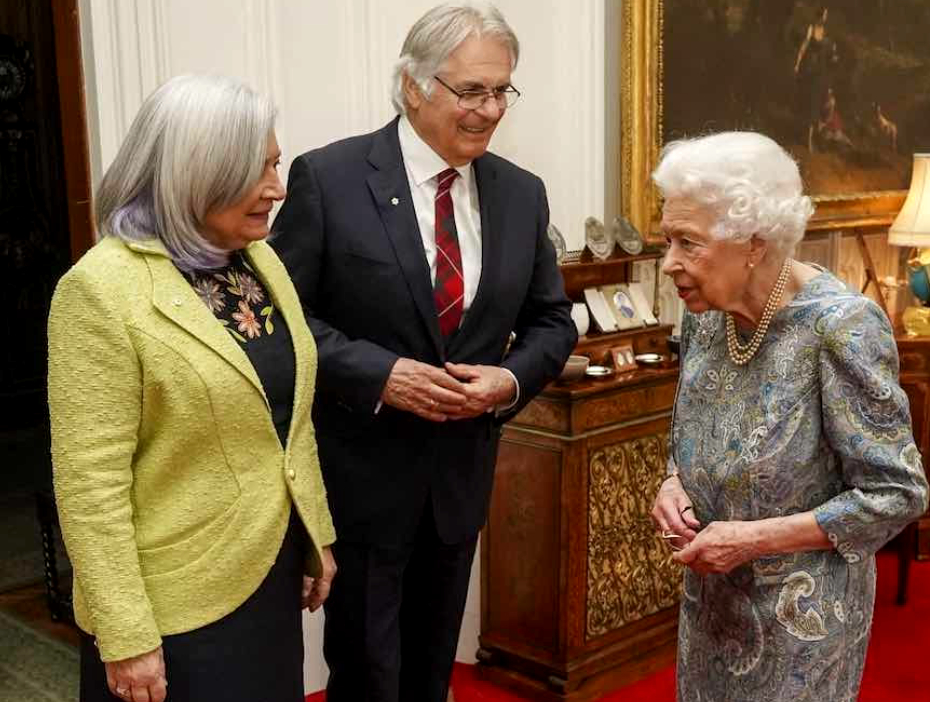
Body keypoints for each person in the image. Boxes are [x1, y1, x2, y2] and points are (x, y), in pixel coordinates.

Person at [270, 3, 577, 700]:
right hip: (361, 484)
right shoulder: (331, 177)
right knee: (368, 678)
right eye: (472, 91)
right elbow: (283, 323)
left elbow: (552, 323)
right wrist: (381, 376)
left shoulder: (520, 194)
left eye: (503, 90)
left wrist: (507, 381)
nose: (491, 109)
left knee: (430, 675)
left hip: (457, 485)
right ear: (413, 86)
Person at [47, 74, 337, 702]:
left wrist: (316, 535)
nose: (278, 189)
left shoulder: (256, 260)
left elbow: (290, 414)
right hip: (172, 607)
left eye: (276, 164)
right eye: (256, 171)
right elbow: (88, 485)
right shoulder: (100, 291)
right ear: (195, 174)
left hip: (266, 573)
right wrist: (125, 635)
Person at [650, 131, 929, 701]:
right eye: (667, 240)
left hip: (803, 622)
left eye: (688, 243)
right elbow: (693, 430)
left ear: (753, 243)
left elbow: (897, 493)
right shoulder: (707, 312)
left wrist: (752, 540)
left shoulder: (840, 327)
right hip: (711, 607)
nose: (668, 264)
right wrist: (673, 480)